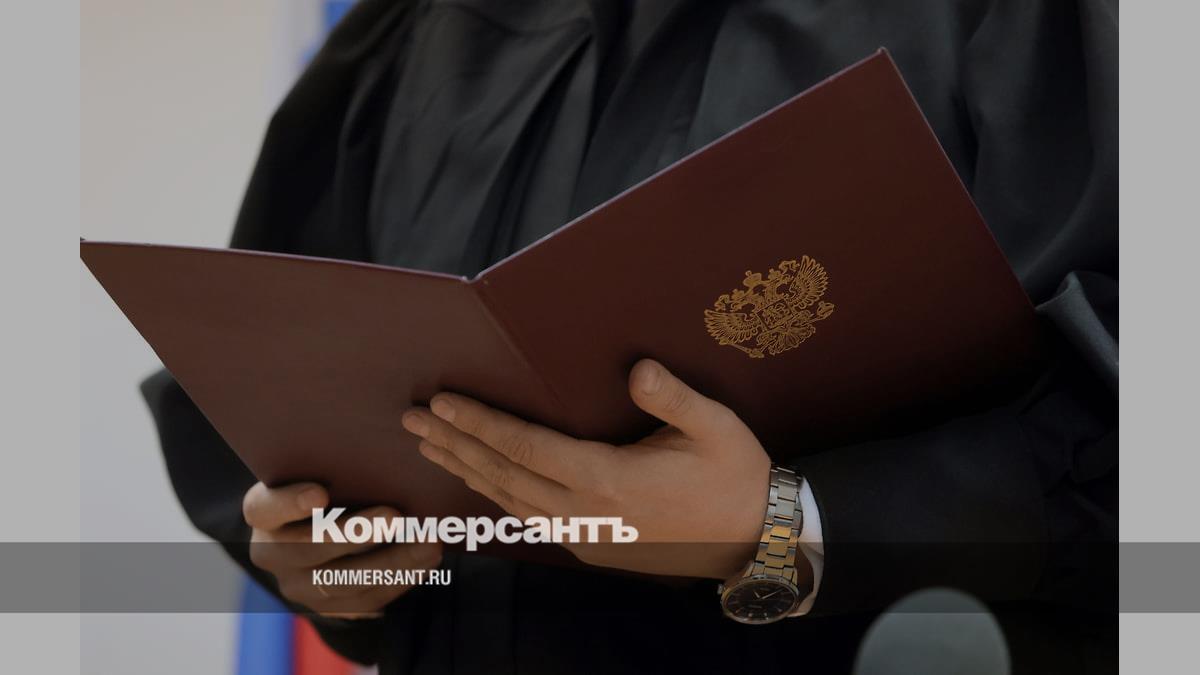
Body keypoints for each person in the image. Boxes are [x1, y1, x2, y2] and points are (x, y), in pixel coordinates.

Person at [141, 0, 1117, 672]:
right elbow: (265, 366)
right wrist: (325, 554)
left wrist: (785, 526)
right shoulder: (424, 31)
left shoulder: (1009, 21)